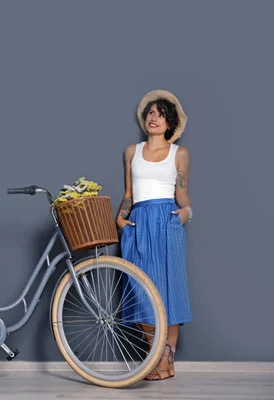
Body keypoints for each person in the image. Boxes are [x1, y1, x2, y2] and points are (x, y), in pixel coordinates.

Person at [116, 89, 193, 380]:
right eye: (150, 113)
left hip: (167, 221)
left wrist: (184, 214)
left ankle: (163, 363)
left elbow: (183, 195)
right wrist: (120, 219)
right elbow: (128, 193)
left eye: (160, 114)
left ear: (170, 123)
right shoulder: (131, 152)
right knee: (140, 293)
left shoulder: (179, 154)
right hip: (137, 223)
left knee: (169, 293)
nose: (154, 118)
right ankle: (159, 359)